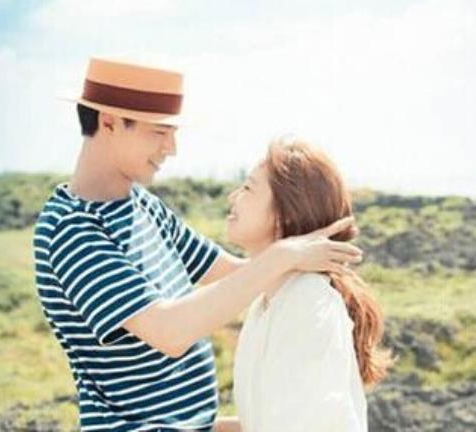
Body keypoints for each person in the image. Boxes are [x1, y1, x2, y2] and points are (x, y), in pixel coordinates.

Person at [32, 58, 362, 431]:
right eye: (160, 132)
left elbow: (233, 273)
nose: (171, 148)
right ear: (109, 123)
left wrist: (308, 256)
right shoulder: (72, 230)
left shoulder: (143, 206)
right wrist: (286, 254)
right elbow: (169, 331)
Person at [225, 138, 392, 432]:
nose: (233, 197)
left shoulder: (308, 301)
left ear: (285, 215)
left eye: (248, 188)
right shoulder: (266, 303)